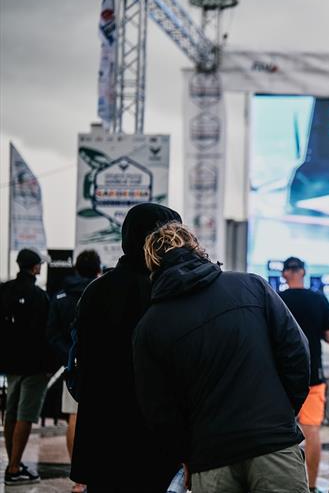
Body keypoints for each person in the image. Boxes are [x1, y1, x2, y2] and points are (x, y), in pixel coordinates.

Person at [134, 222, 311, 493]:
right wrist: (283, 413)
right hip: (273, 444)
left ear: (152, 263)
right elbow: (297, 351)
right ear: (196, 248)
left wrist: (185, 453)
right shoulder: (250, 285)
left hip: (210, 456)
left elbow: (159, 409)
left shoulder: (149, 326)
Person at [70, 203, 182, 492]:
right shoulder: (167, 289)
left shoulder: (96, 290)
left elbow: (78, 361)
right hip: (154, 437)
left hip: (103, 434)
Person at [279, 256, 329, 493]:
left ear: (285, 274)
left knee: (280, 433)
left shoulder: (277, 299)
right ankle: (312, 486)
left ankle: (284, 485)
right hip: (312, 375)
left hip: (280, 378)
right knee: (312, 431)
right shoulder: (318, 299)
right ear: (303, 272)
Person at [46, 249, 101, 493]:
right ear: (97, 269)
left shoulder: (60, 295)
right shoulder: (100, 292)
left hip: (72, 367)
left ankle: (77, 475)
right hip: (100, 364)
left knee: (74, 416)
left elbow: (52, 333)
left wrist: (69, 356)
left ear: (76, 267)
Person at [0, 248, 50, 485]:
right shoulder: (39, 296)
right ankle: (13, 467)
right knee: (26, 414)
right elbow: (45, 333)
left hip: (8, 362)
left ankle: (15, 463)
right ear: (35, 267)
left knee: (11, 412)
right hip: (33, 364)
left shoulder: (4, 290)